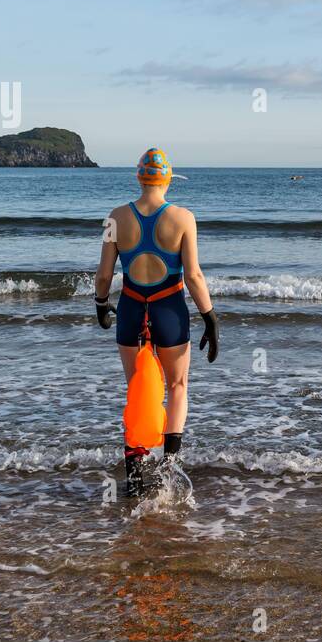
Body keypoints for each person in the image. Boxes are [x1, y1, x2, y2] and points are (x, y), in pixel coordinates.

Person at [94, 148, 219, 494]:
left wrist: (101, 305)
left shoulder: (114, 218)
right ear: (168, 180)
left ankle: (134, 477)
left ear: (139, 177)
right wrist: (209, 317)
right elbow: (193, 275)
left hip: (131, 309)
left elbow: (104, 275)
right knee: (177, 387)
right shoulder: (183, 218)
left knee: (137, 389)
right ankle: (169, 467)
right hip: (169, 311)